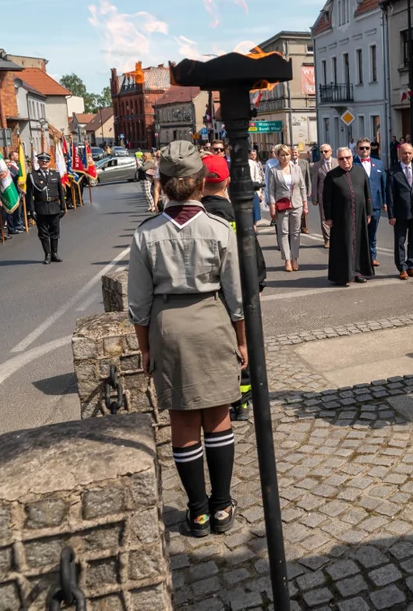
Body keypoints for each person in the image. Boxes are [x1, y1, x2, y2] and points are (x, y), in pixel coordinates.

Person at [127, 140, 244, 538]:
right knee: (217, 413)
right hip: (211, 320)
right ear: (199, 183)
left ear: (161, 182)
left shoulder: (145, 235)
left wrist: (144, 347)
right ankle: (223, 505)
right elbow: (237, 298)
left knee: (181, 416)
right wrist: (242, 341)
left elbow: (138, 304)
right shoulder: (218, 229)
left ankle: (197, 512)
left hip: (167, 326)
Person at [199, 153, 262, 424]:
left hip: (204, 299)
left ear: (201, 183)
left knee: (209, 353)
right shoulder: (237, 214)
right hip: (238, 296)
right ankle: (242, 402)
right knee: (242, 348)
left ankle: (214, 402)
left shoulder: (193, 217)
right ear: (227, 182)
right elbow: (255, 262)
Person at [322, 146, 374, 286]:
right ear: (337, 160)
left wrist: (369, 212)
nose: (345, 161)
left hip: (360, 214)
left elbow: (367, 193)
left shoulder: (360, 171)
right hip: (341, 216)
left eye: (348, 157)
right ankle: (342, 275)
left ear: (352, 157)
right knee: (343, 245)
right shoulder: (331, 175)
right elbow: (327, 199)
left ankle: (358, 272)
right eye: (341, 158)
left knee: (359, 243)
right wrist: (328, 217)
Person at [267, 144, 308, 272]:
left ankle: (295, 258)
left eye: (287, 154)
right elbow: (271, 190)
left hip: (296, 204)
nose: (285, 157)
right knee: (283, 233)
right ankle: (287, 260)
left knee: (295, 233)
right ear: (278, 156)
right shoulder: (274, 170)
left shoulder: (296, 168)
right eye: (282, 155)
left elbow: (302, 186)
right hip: (281, 204)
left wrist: (305, 204)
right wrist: (272, 206)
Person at [386, 143, 413, 281]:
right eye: (404, 153)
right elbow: (390, 195)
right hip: (400, 213)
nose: (407, 156)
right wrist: (391, 215)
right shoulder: (393, 171)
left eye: (410, 153)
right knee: (400, 242)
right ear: (399, 154)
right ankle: (402, 268)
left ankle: (411, 265)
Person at [354, 138, 387, 268]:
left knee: (372, 233)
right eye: (361, 148)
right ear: (356, 150)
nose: (364, 150)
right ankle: (359, 258)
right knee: (360, 233)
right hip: (359, 205)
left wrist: (385, 202)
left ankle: (372, 257)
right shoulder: (353, 163)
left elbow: (383, 184)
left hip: (375, 204)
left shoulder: (378, 164)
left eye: (367, 148)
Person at [27, 153, 65, 264]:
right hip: (41, 207)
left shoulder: (55, 174)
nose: (44, 163)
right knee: (43, 233)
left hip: (54, 206)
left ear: (49, 162)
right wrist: (31, 210)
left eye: (46, 161)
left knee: (55, 231)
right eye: (42, 161)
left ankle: (54, 253)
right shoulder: (33, 176)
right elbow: (29, 195)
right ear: (38, 162)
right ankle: (47, 254)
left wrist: (63, 207)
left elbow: (61, 192)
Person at [311, 144, 334, 248]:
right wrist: (314, 197)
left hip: (337, 194)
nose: (324, 153)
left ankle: (336, 237)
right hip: (323, 194)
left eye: (326, 151)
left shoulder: (337, 162)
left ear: (331, 151)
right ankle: (327, 239)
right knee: (324, 218)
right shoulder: (317, 165)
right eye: (322, 152)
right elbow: (315, 182)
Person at [290, 146, 311, 234]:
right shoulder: (288, 163)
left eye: (296, 152)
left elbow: (308, 177)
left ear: (298, 154)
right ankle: (294, 227)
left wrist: (309, 190)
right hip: (292, 190)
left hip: (302, 189)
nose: (294, 154)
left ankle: (304, 227)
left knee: (303, 209)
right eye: (293, 152)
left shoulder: (304, 162)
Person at [247, 149, 264, 225]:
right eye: (251, 154)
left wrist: (259, 192)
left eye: (254, 154)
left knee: (255, 211)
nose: (253, 156)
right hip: (243, 191)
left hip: (253, 189)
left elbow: (257, 177)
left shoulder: (253, 164)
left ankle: (255, 226)